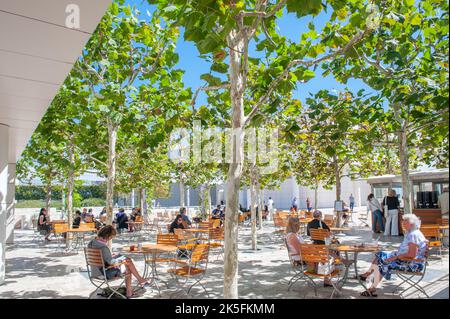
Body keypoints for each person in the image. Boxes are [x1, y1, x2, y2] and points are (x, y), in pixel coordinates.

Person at [359, 214, 428, 297]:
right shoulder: (413, 233)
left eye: (405, 223)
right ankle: (368, 276)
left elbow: (411, 255)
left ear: (412, 224)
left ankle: (372, 288)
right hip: (407, 260)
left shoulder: (413, 235)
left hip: (412, 264)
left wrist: (395, 257)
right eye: (403, 223)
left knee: (384, 262)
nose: (403, 225)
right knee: (381, 254)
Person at [87, 225, 149, 298]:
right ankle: (136, 284)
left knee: (127, 261)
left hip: (94, 272)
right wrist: (120, 260)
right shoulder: (103, 247)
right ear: (108, 236)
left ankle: (139, 280)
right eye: (111, 237)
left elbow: (102, 258)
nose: (110, 239)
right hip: (104, 274)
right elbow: (111, 263)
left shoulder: (92, 243)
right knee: (128, 265)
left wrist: (111, 256)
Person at [285, 217, 333, 287]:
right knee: (324, 256)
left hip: (303, 254)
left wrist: (310, 246)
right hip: (300, 257)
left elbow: (301, 247)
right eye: (299, 224)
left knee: (324, 254)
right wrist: (311, 249)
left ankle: (326, 277)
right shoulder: (292, 236)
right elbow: (299, 250)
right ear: (296, 225)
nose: (299, 226)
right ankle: (326, 278)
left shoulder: (293, 234)